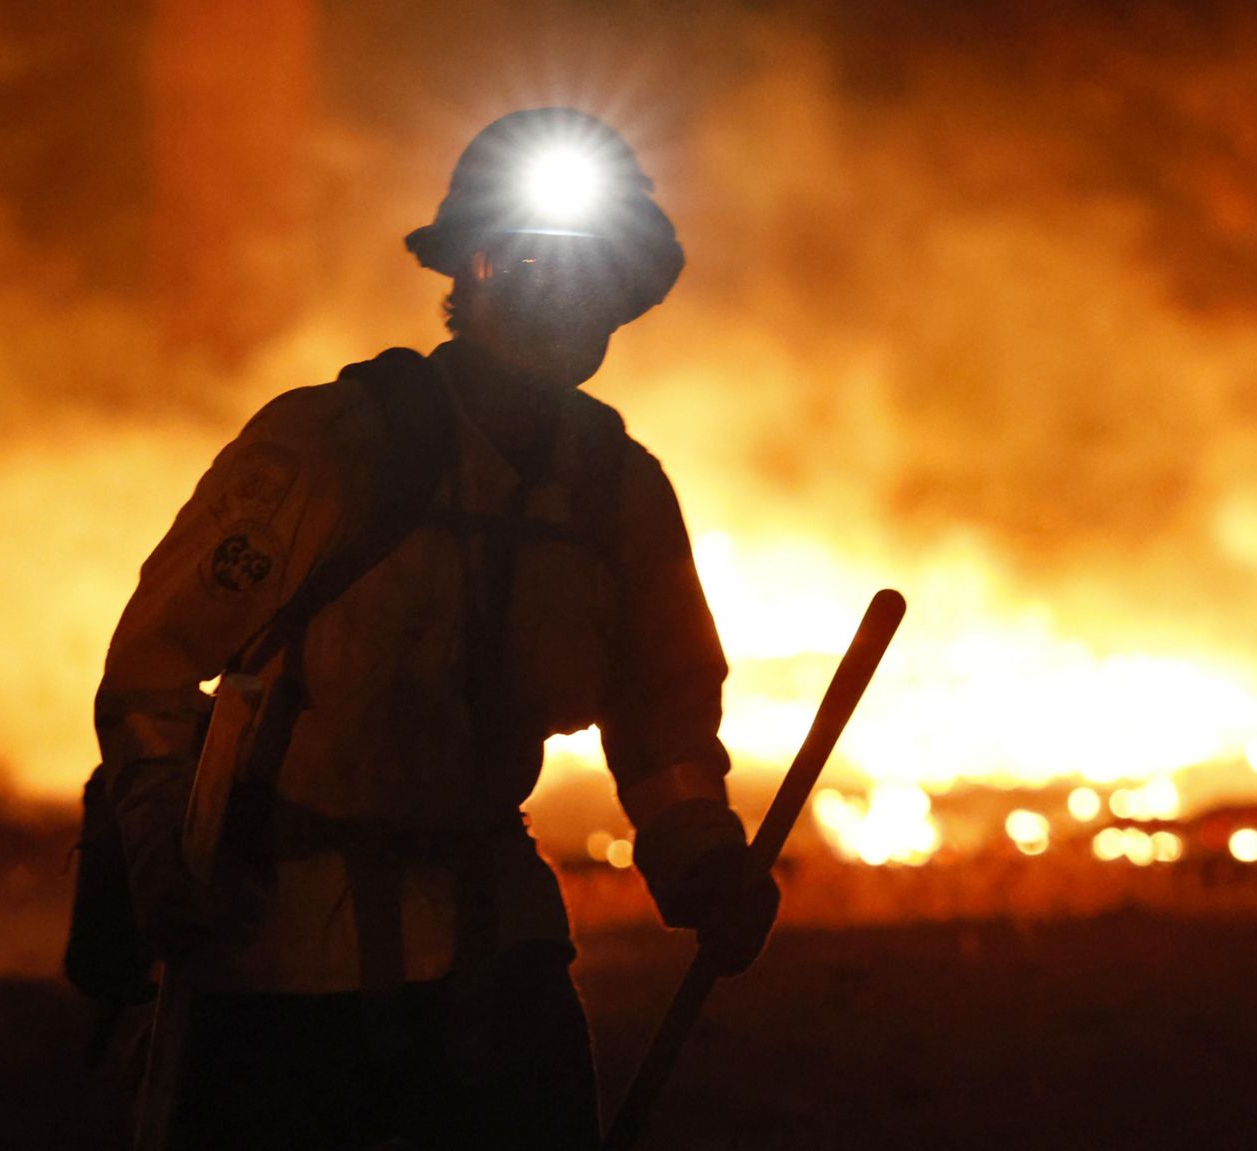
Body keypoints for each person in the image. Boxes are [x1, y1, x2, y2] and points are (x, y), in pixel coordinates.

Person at [94, 107, 779, 1151]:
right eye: (543, 265)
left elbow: (664, 717)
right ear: (475, 265)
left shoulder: (615, 489)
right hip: (279, 954)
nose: (573, 299)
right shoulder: (329, 445)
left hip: (493, 953)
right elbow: (153, 663)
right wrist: (164, 858)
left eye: (599, 275)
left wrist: (698, 859)